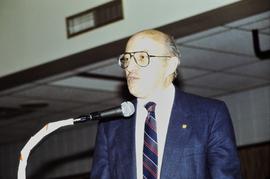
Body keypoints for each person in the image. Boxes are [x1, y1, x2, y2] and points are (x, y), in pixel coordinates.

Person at [90, 29, 241, 179]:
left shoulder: (210, 115)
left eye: (142, 57)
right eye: (127, 59)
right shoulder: (111, 125)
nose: (129, 67)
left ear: (170, 65)